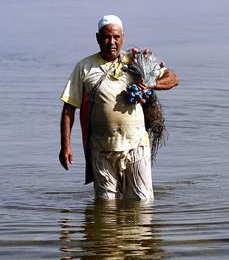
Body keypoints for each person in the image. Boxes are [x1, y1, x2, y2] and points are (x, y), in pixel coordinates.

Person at [59, 15, 179, 200]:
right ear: (98, 38)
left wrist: (152, 84)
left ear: (123, 37)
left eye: (116, 37)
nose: (111, 42)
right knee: (106, 207)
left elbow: (172, 78)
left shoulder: (136, 61)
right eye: (106, 37)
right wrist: (65, 146)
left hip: (136, 146)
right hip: (101, 150)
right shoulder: (84, 67)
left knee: (142, 202)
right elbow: (69, 109)